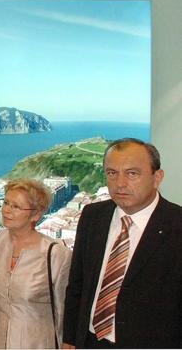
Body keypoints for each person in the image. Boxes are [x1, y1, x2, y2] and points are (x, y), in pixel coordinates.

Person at [63, 138, 182, 348]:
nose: (120, 183)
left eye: (132, 173)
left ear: (157, 177)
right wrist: (70, 339)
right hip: (90, 342)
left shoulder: (176, 225)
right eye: (112, 173)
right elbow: (77, 285)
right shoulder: (92, 216)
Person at [0, 179, 72, 349]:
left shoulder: (56, 254)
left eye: (16, 206)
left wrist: (67, 343)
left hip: (36, 343)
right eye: (6, 202)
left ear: (36, 215)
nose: (6, 210)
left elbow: (64, 309)